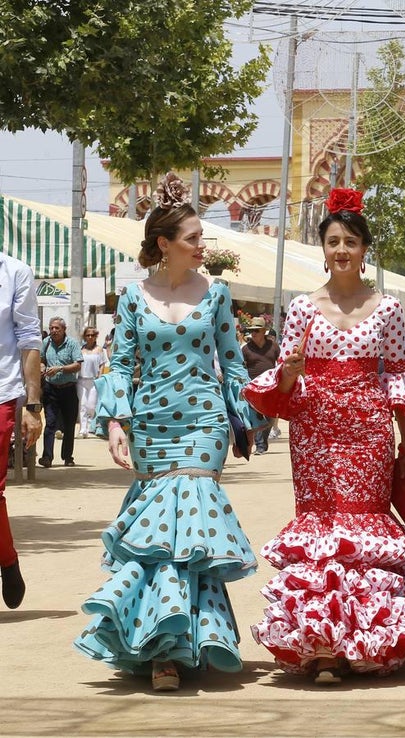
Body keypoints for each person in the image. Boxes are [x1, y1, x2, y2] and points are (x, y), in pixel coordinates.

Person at [74, 173, 260, 691]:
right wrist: (116, 421)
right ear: (165, 244)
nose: (203, 246)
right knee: (161, 538)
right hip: (153, 425)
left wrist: (247, 417)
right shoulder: (133, 298)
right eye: (194, 238)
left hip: (204, 424)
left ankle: (177, 650)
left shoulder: (218, 294)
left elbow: (233, 364)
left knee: (192, 529)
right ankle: (165, 647)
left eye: (203, 237)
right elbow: (121, 364)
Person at [244, 188, 405, 686]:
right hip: (315, 430)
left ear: (365, 248)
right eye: (332, 241)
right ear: (321, 248)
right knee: (321, 527)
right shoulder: (301, 308)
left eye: (351, 241)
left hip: (368, 430)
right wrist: (290, 371)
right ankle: (323, 645)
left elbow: (397, 380)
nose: (341, 250)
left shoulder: (387, 309)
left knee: (364, 526)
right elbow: (283, 382)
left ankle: (365, 639)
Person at [0, 252, 43, 609]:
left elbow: (29, 337)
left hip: (1, 392)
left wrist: (32, 405)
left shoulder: (15, 272)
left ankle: (7, 560)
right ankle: (8, 559)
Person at [39, 316, 82, 467]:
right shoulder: (46, 343)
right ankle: (47, 457)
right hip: (51, 390)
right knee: (49, 424)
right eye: (51, 328)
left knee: (69, 425)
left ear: (64, 330)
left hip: (68, 389)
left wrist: (60, 368)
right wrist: (43, 367)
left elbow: (77, 365)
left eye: (57, 328)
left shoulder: (72, 344)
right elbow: (42, 359)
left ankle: (67, 457)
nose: (54, 331)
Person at [240, 317, 279, 455]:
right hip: (253, 386)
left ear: (264, 332)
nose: (254, 333)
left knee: (270, 415)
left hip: (270, 385)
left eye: (256, 330)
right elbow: (240, 367)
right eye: (251, 331)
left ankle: (263, 441)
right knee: (256, 414)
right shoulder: (245, 349)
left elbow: (280, 363)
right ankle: (260, 445)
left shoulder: (273, 346)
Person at [77, 327, 107, 439]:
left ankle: (90, 427)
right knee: (83, 404)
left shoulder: (99, 350)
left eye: (92, 335)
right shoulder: (80, 349)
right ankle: (82, 429)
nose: (90, 337)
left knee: (91, 405)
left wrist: (100, 376)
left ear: (95, 337)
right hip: (81, 380)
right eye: (88, 335)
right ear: (84, 336)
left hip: (94, 380)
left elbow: (102, 364)